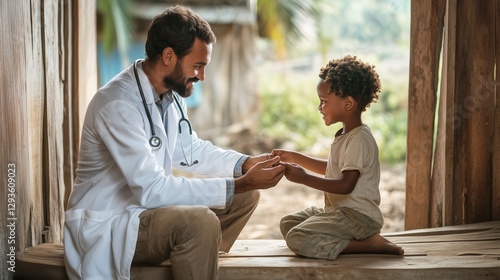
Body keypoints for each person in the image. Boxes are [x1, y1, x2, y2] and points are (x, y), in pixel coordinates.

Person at [64, 5, 285, 280]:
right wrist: (241, 182)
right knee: (200, 221)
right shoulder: (118, 104)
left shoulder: (173, 95)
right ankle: (195, 257)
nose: (201, 77)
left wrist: (244, 164)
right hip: (113, 224)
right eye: (197, 66)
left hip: (148, 216)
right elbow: (152, 190)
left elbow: (189, 151)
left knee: (244, 197)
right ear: (169, 56)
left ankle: (194, 259)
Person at [271, 55, 404, 261]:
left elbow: (346, 185)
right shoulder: (345, 134)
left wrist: (304, 177)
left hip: (358, 218)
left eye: (323, 101)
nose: (319, 107)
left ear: (348, 103)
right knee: (288, 223)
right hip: (340, 212)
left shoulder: (359, 138)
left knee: (297, 237)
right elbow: (333, 168)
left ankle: (368, 244)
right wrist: (295, 157)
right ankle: (353, 241)